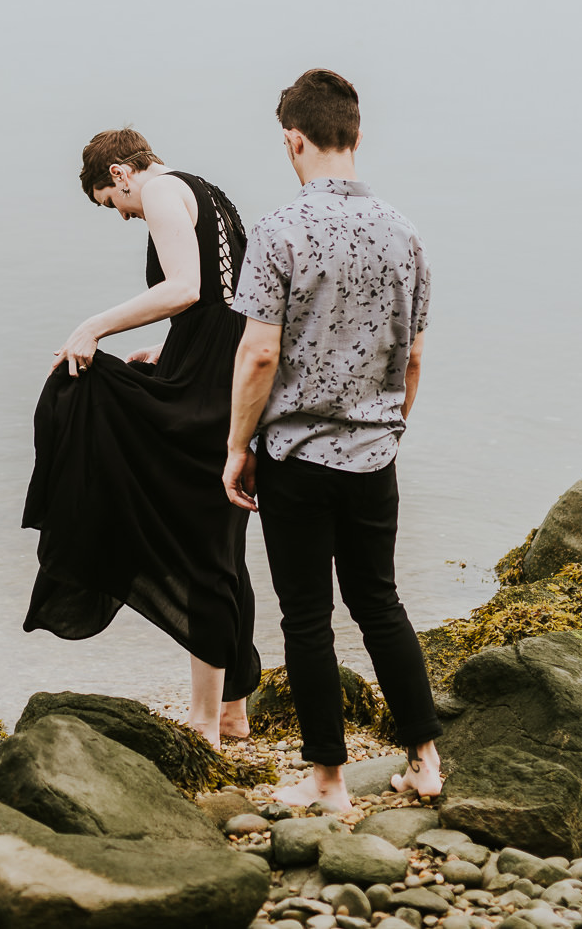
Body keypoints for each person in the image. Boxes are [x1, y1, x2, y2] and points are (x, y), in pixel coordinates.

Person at [221, 69, 442, 808]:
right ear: (355, 133)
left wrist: (236, 448)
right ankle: (425, 759)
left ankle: (328, 781)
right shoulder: (402, 230)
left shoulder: (280, 230)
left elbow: (258, 355)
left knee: (307, 616)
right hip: (375, 454)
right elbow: (412, 356)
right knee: (380, 601)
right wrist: (391, 427)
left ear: (294, 138)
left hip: (298, 457)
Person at [22, 128, 262, 745]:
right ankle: (233, 711)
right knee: (222, 547)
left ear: (123, 173)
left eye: (111, 201)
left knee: (200, 551)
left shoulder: (158, 192)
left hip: (209, 384)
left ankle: (205, 727)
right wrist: (172, 349)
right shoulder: (210, 192)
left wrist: (92, 326)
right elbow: (227, 299)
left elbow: (185, 288)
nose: (123, 214)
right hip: (224, 370)